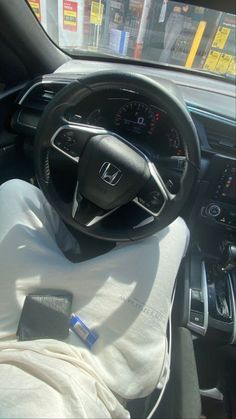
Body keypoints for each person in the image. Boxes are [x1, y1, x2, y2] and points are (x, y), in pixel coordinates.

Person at [0, 179, 189, 418]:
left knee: (16, 191)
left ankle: (69, 248)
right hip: (98, 376)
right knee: (174, 231)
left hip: (7, 345)